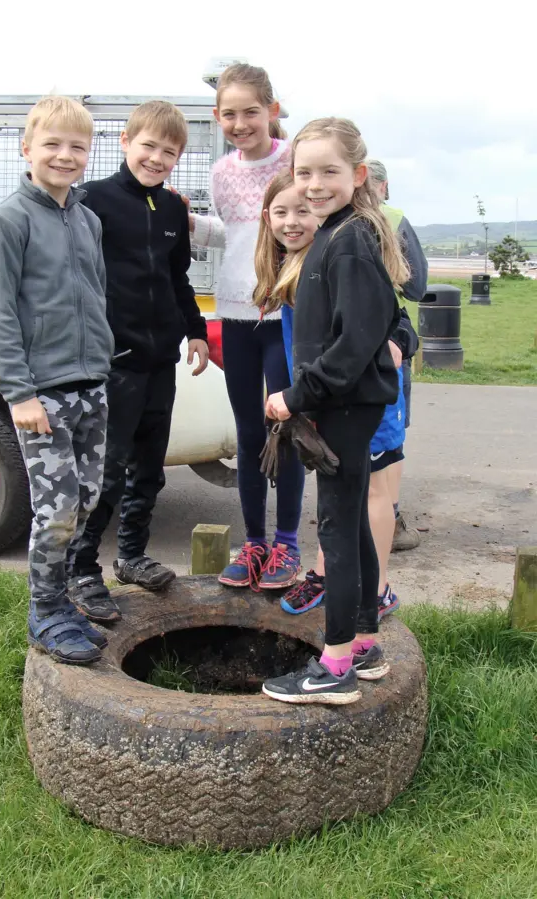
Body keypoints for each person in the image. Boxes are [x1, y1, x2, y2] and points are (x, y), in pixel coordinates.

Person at [261, 117, 408, 705]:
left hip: (343, 407)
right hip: (349, 405)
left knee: (338, 532)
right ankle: (367, 643)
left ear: (359, 175)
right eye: (304, 173)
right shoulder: (337, 232)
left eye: (329, 172)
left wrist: (294, 398)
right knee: (349, 528)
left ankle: (336, 664)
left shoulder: (348, 242)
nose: (314, 184)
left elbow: (351, 348)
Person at [0, 96, 114, 665]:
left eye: (76, 146)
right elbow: (0, 311)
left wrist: (103, 364)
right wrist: (19, 392)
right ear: (26, 148)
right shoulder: (9, 219)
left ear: (88, 154)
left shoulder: (88, 221)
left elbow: (97, 295)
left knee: (84, 502)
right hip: (43, 395)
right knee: (54, 510)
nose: (65, 155)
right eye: (52, 144)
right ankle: (45, 612)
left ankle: (63, 602)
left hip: (92, 386)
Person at [69, 101, 209, 621]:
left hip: (159, 361)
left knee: (149, 468)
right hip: (114, 363)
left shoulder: (173, 209)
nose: (157, 158)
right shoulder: (92, 201)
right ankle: (81, 570)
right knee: (105, 472)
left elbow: (178, 280)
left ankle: (130, 556)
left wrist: (195, 331)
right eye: (148, 146)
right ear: (125, 141)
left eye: (168, 152)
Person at [190, 63, 305, 591]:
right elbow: (233, 234)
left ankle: (287, 544)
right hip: (234, 318)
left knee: (285, 430)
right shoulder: (220, 173)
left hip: (283, 315)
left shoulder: (294, 162)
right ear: (217, 118)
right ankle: (254, 543)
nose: (240, 123)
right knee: (247, 430)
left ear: (272, 112)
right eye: (229, 114)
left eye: (251, 112)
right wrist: (191, 225)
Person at [367, 158, 427, 552]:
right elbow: (418, 287)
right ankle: (392, 516)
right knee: (392, 434)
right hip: (389, 338)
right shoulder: (395, 217)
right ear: (383, 186)